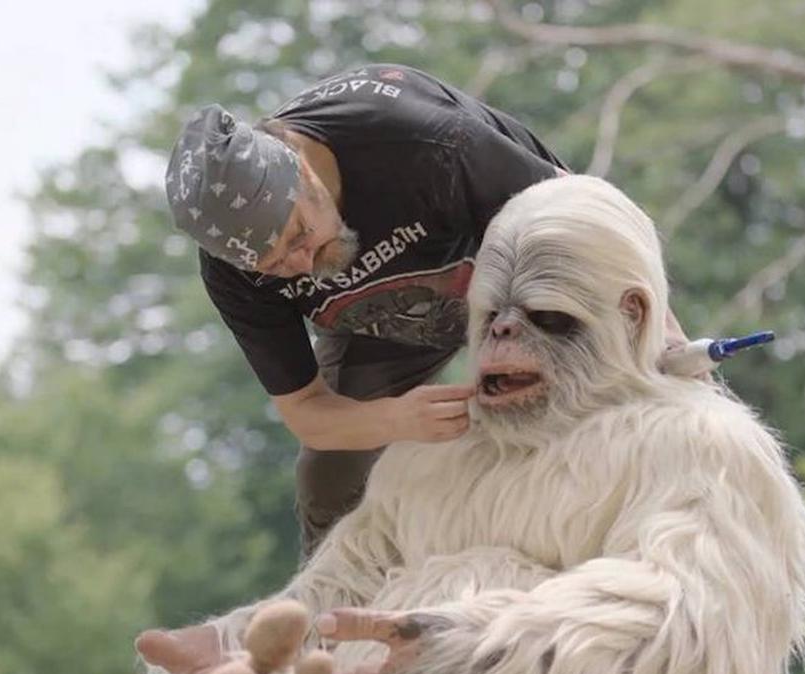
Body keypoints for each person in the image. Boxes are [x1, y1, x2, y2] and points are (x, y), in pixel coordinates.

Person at [164, 63, 572, 556]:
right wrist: (394, 420)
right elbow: (308, 413)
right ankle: (330, 621)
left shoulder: (418, 138)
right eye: (275, 266)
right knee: (330, 479)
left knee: (577, 403)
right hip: (384, 329)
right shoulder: (231, 274)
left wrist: (660, 340)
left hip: (520, 268)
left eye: (298, 233)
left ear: (301, 164)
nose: (301, 262)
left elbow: (582, 226)